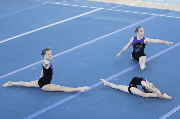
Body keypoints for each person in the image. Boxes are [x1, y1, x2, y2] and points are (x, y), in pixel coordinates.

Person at [2, 48, 90, 92]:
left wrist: (40, 78)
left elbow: (43, 71)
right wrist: (46, 64)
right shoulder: (46, 63)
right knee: (62, 88)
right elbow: (45, 66)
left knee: (26, 84)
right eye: (48, 54)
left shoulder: (45, 62)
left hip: (40, 81)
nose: (50, 55)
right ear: (44, 55)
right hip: (45, 85)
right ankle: (79, 88)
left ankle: (11, 83)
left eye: (51, 54)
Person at [100, 77, 172, 99]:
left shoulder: (145, 83)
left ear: (147, 89)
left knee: (145, 95)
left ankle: (163, 95)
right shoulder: (145, 83)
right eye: (151, 86)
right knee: (117, 87)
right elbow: (152, 88)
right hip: (131, 88)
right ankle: (107, 83)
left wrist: (158, 93)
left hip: (131, 88)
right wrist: (158, 93)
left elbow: (153, 89)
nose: (152, 85)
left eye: (151, 87)